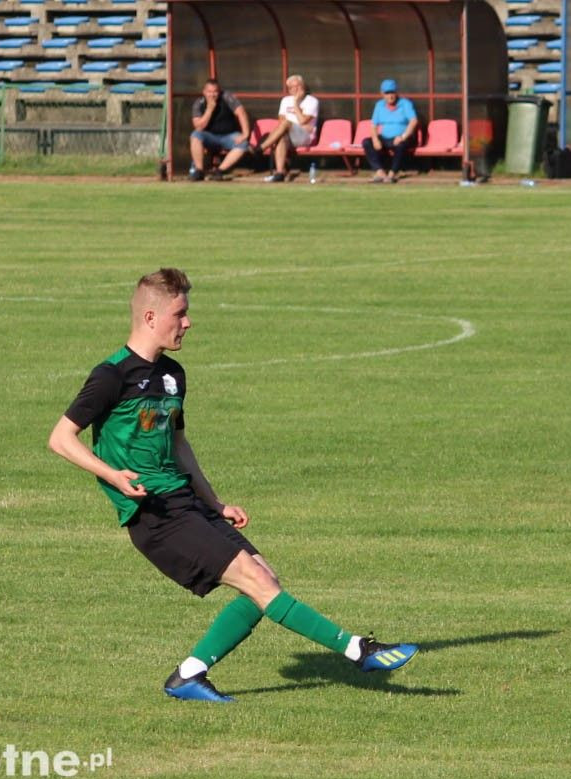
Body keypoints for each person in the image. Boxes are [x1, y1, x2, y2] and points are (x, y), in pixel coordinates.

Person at [48, 268, 418, 702]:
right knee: (257, 581)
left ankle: (189, 675)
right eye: (179, 314)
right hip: (153, 513)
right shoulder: (112, 376)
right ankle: (359, 651)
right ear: (150, 317)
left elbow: (179, 444)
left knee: (264, 580)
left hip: (186, 501)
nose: (188, 323)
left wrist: (214, 502)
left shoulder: (173, 375)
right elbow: (61, 438)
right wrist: (112, 475)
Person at [256, 74, 320, 183]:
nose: (296, 89)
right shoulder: (285, 100)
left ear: (303, 86)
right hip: (288, 134)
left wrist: (295, 103)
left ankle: (260, 148)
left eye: (298, 86)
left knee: (286, 124)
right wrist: (289, 125)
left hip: (305, 136)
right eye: (292, 87)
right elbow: (281, 120)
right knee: (281, 137)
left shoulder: (312, 101)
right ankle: (280, 173)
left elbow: (302, 121)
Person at [189, 79, 251, 181]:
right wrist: (209, 109)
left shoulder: (227, 97)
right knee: (195, 135)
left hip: (229, 135)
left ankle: (219, 171)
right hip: (209, 136)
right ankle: (199, 171)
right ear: (204, 92)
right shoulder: (199, 103)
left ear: (219, 91)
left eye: (215, 92)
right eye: (209, 92)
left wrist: (245, 134)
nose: (212, 95)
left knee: (243, 144)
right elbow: (199, 127)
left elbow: (241, 113)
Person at [363, 78, 419, 183]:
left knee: (401, 145)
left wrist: (402, 136)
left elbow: (413, 121)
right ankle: (380, 173)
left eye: (392, 92)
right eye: (387, 93)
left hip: (402, 137)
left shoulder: (405, 103)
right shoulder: (379, 105)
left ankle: (392, 174)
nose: (390, 96)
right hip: (385, 137)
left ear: (396, 92)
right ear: (382, 94)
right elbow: (373, 125)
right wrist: (375, 139)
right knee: (367, 142)